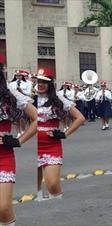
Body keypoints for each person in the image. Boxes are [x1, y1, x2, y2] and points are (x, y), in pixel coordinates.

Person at [36, 68, 85, 201]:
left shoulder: (58, 99)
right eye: (38, 81)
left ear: (50, 83)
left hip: (51, 147)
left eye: (44, 82)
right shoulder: (27, 99)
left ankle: (57, 206)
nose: (40, 84)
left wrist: (64, 134)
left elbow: (80, 118)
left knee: (52, 184)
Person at [0, 56, 37, 226]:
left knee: (4, 207)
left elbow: (37, 118)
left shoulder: (9, 93)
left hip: (3, 156)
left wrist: (18, 141)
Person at [8, 70, 31, 138]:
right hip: (15, 102)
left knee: (23, 117)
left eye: (20, 75)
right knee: (17, 118)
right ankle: (19, 131)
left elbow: (29, 93)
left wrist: (22, 91)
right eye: (17, 75)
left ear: (22, 76)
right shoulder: (12, 84)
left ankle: (23, 130)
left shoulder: (27, 84)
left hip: (24, 102)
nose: (18, 77)